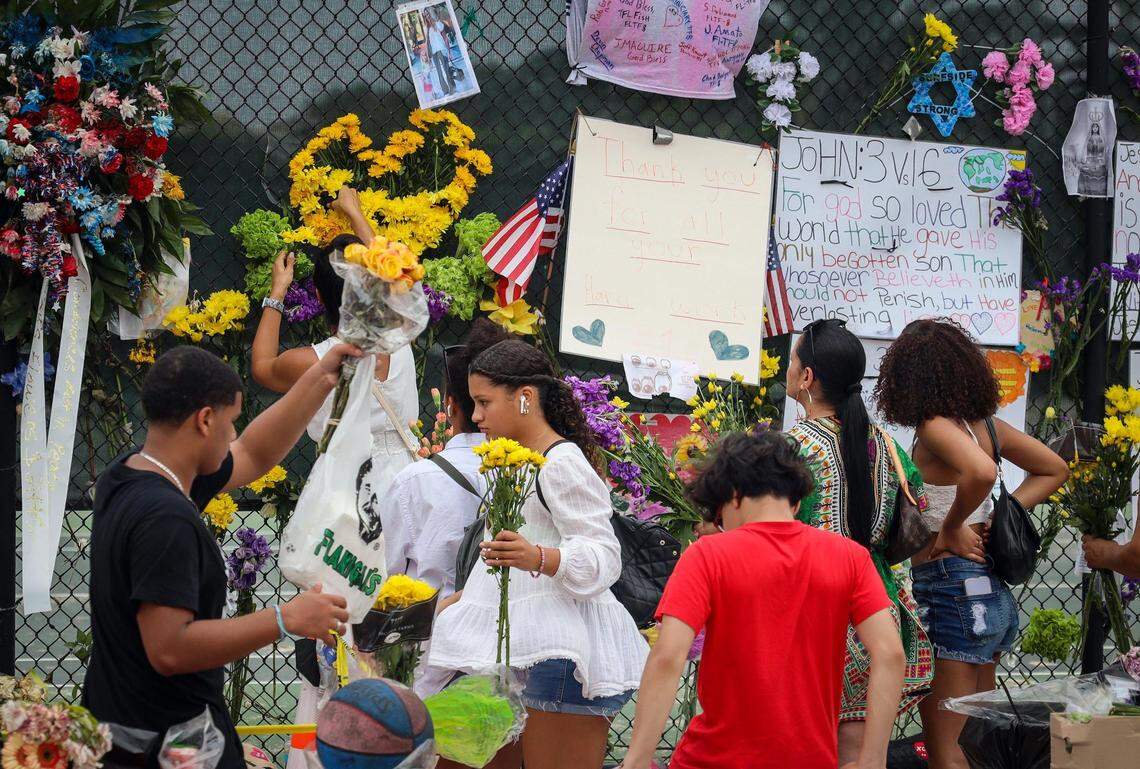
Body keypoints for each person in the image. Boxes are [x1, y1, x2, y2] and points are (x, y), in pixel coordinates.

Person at [83, 345, 360, 769]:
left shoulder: (130, 475)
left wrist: (323, 375)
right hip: (170, 747)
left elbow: (253, 453)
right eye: (230, 422)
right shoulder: (166, 518)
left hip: (122, 732)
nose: (233, 436)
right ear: (205, 419)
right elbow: (170, 648)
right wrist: (285, 619)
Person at [620, 431, 905, 769]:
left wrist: (636, 760)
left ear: (733, 494)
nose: (722, 523)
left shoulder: (708, 556)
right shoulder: (850, 558)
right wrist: (873, 760)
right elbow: (891, 655)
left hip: (713, 759)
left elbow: (668, 657)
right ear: (795, 501)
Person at [427, 339, 647, 769]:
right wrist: (466, 599)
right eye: (473, 403)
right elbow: (507, 554)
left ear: (525, 398)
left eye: (484, 402)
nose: (475, 417)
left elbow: (604, 555)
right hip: (509, 651)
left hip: (563, 657)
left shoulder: (560, 462)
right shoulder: (514, 460)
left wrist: (541, 558)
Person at [874, 319, 1068, 769]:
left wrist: (951, 526)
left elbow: (981, 474)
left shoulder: (935, 426)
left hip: (950, 592)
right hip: (989, 595)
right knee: (976, 742)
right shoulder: (986, 426)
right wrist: (1004, 511)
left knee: (949, 748)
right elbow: (1054, 468)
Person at [785, 318, 934, 764]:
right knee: (859, 754)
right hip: (876, 613)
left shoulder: (791, 448)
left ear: (807, 377)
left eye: (792, 362)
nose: (787, 370)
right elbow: (920, 508)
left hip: (812, 614)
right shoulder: (887, 445)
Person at [379, 318, 511, 698]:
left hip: (429, 663)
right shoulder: (527, 474)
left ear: (450, 404)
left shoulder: (415, 481)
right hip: (503, 657)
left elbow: (386, 578)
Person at [426, 12, 455, 96]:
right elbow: (427, 42)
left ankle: (452, 87)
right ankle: (445, 90)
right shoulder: (426, 28)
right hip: (434, 52)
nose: (427, 16)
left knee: (446, 69)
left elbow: (445, 37)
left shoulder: (438, 24)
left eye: (428, 14)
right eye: (426, 15)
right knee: (439, 72)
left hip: (441, 49)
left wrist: (449, 52)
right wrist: (428, 56)